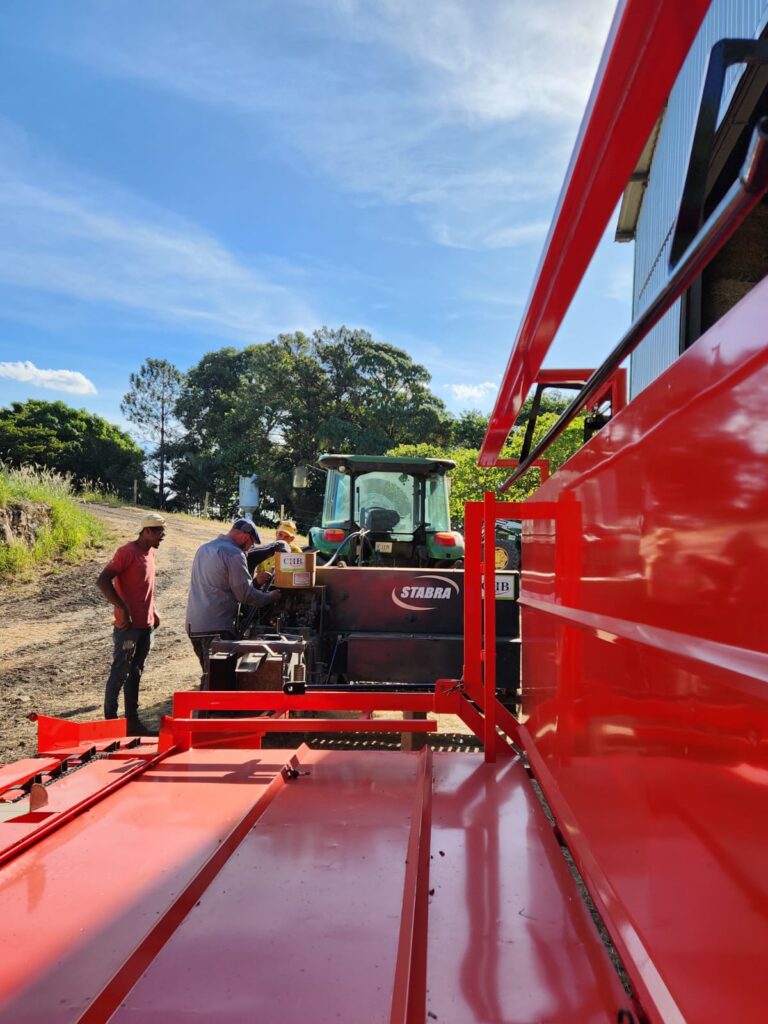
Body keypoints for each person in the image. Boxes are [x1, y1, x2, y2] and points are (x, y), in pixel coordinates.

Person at [186, 518, 289, 687]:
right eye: (251, 545)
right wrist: (271, 597)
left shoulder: (204, 548)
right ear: (245, 537)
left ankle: (208, 711)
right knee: (216, 682)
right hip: (217, 627)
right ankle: (206, 712)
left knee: (209, 674)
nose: (249, 550)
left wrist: (255, 582)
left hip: (194, 626)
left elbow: (221, 585)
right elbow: (246, 595)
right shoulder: (234, 553)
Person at [96, 512, 166, 734]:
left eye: (162, 531)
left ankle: (132, 723)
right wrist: (122, 609)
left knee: (135, 671)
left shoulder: (150, 553)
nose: (162, 536)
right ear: (146, 531)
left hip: (145, 627)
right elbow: (103, 580)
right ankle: (110, 724)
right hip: (128, 627)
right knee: (120, 672)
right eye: (158, 532)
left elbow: (145, 587)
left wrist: (153, 612)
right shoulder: (127, 552)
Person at [255, 518, 302, 584]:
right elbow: (259, 576)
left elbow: (300, 573)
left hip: (288, 586)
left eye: (286, 536)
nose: (282, 538)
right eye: (280, 534)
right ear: (276, 534)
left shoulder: (296, 551)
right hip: (268, 587)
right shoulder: (266, 550)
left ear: (292, 539)